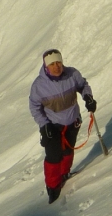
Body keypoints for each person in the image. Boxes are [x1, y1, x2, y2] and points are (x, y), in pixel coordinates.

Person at [29, 49, 97, 203]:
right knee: (53, 156)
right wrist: (44, 125)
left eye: (58, 62)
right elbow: (35, 107)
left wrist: (88, 97)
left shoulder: (72, 74)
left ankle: (64, 174)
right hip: (53, 127)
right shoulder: (39, 86)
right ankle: (53, 188)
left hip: (73, 122)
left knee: (67, 150)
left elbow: (83, 85)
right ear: (46, 66)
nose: (56, 66)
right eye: (52, 64)